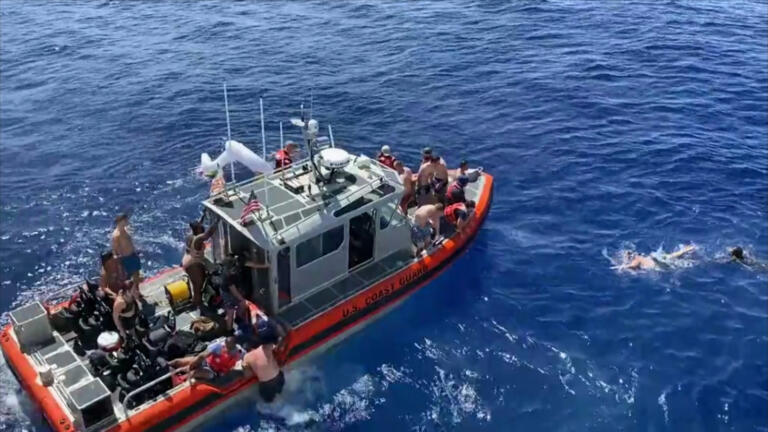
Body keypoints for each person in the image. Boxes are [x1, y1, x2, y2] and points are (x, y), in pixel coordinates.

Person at [169, 336, 245, 380]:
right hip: (205, 362)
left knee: (194, 373)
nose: (227, 349)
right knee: (179, 362)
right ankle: (167, 365)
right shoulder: (218, 345)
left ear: (235, 345)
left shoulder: (240, 352)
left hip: (213, 372)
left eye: (230, 347)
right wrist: (192, 364)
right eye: (227, 346)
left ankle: (180, 380)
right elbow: (203, 355)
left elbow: (245, 359)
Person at [182, 219, 217, 307]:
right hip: (193, 264)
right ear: (197, 229)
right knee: (198, 286)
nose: (202, 227)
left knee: (201, 280)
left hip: (189, 259)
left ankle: (197, 300)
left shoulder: (190, 235)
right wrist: (216, 221)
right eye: (200, 227)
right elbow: (207, 235)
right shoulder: (198, 239)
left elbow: (198, 227)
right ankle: (198, 303)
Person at [243, 337, 285, 403]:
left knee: (269, 401)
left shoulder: (246, 357)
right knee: (280, 392)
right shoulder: (266, 347)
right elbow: (280, 348)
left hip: (266, 384)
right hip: (278, 378)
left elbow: (248, 375)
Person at [112, 213, 142, 299]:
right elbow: (114, 249)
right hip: (126, 258)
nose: (127, 221)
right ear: (120, 221)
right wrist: (117, 259)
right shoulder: (116, 235)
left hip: (133, 255)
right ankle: (129, 295)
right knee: (128, 278)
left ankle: (137, 292)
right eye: (125, 220)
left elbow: (130, 242)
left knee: (137, 275)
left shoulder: (126, 230)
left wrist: (136, 251)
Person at [618, 244, 697, 271]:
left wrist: (623, 267)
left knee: (672, 264)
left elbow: (633, 265)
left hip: (656, 265)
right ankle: (689, 249)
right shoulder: (640, 256)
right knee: (672, 256)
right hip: (659, 257)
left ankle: (689, 255)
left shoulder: (636, 259)